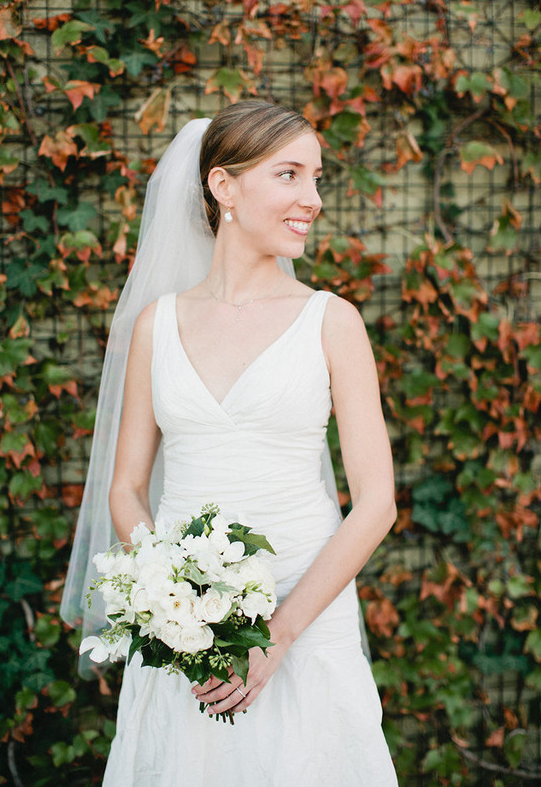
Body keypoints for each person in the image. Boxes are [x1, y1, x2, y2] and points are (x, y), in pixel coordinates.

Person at [61, 100, 398, 786]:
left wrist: (277, 635)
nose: (314, 199)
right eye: (291, 175)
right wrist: (172, 602)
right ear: (224, 186)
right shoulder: (157, 325)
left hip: (306, 617)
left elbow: (377, 503)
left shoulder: (331, 322)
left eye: (318, 177)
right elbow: (126, 487)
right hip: (191, 635)